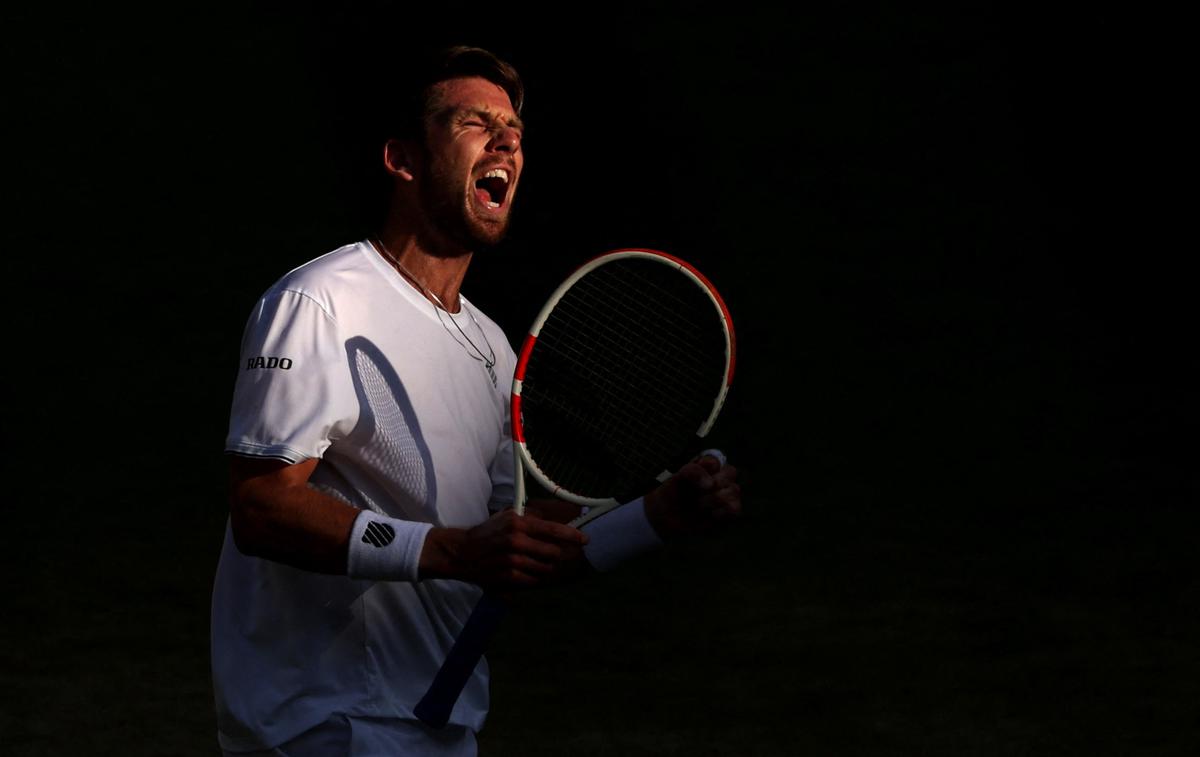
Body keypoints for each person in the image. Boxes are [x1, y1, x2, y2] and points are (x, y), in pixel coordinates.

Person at [210, 45, 741, 756]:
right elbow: (263, 507)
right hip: (327, 722)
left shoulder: (491, 347)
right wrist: (450, 549)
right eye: (474, 121)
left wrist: (656, 517)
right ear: (402, 159)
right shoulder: (319, 301)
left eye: (515, 128)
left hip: (441, 723)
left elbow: (513, 542)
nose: (508, 140)